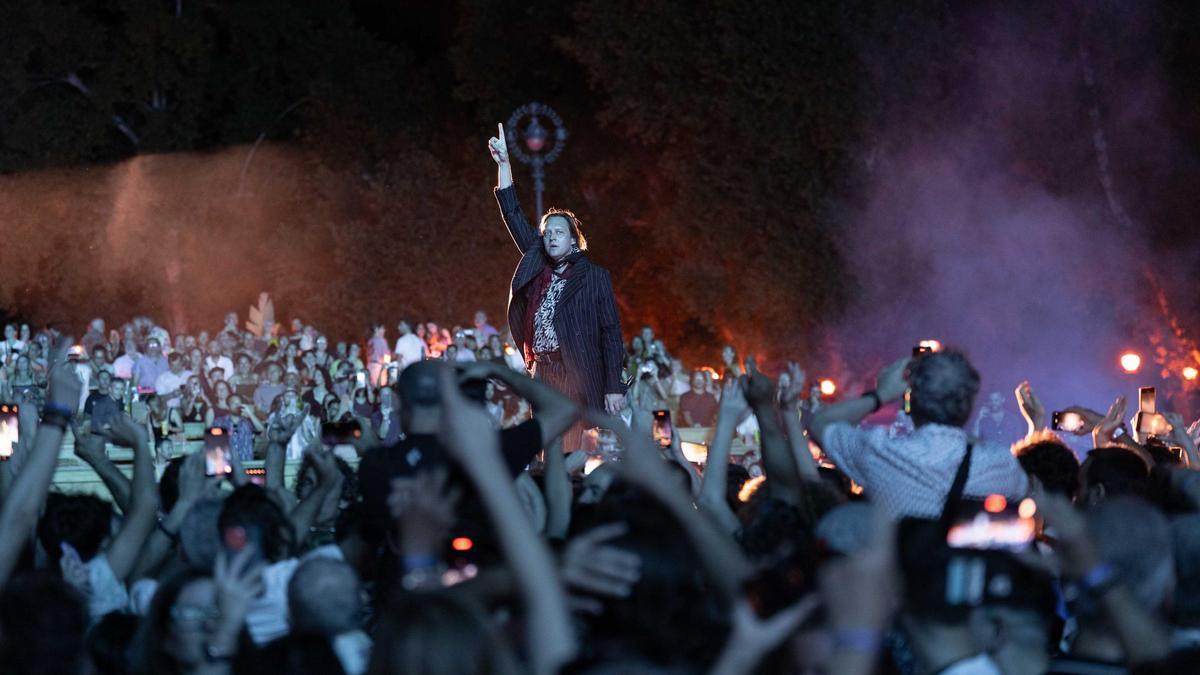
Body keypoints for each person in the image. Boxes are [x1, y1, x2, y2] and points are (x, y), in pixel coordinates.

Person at [488, 123, 627, 431]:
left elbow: (611, 333)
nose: (550, 237)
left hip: (573, 369)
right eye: (546, 232)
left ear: (574, 240)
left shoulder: (593, 276)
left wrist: (614, 384)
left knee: (570, 443)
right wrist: (504, 165)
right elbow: (512, 214)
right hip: (542, 368)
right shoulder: (538, 261)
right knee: (544, 442)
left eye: (558, 232)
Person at [809, 349, 1029, 519]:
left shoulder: (882, 453)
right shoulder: (1002, 465)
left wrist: (881, 395)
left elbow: (819, 423)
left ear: (911, 402)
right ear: (968, 406)